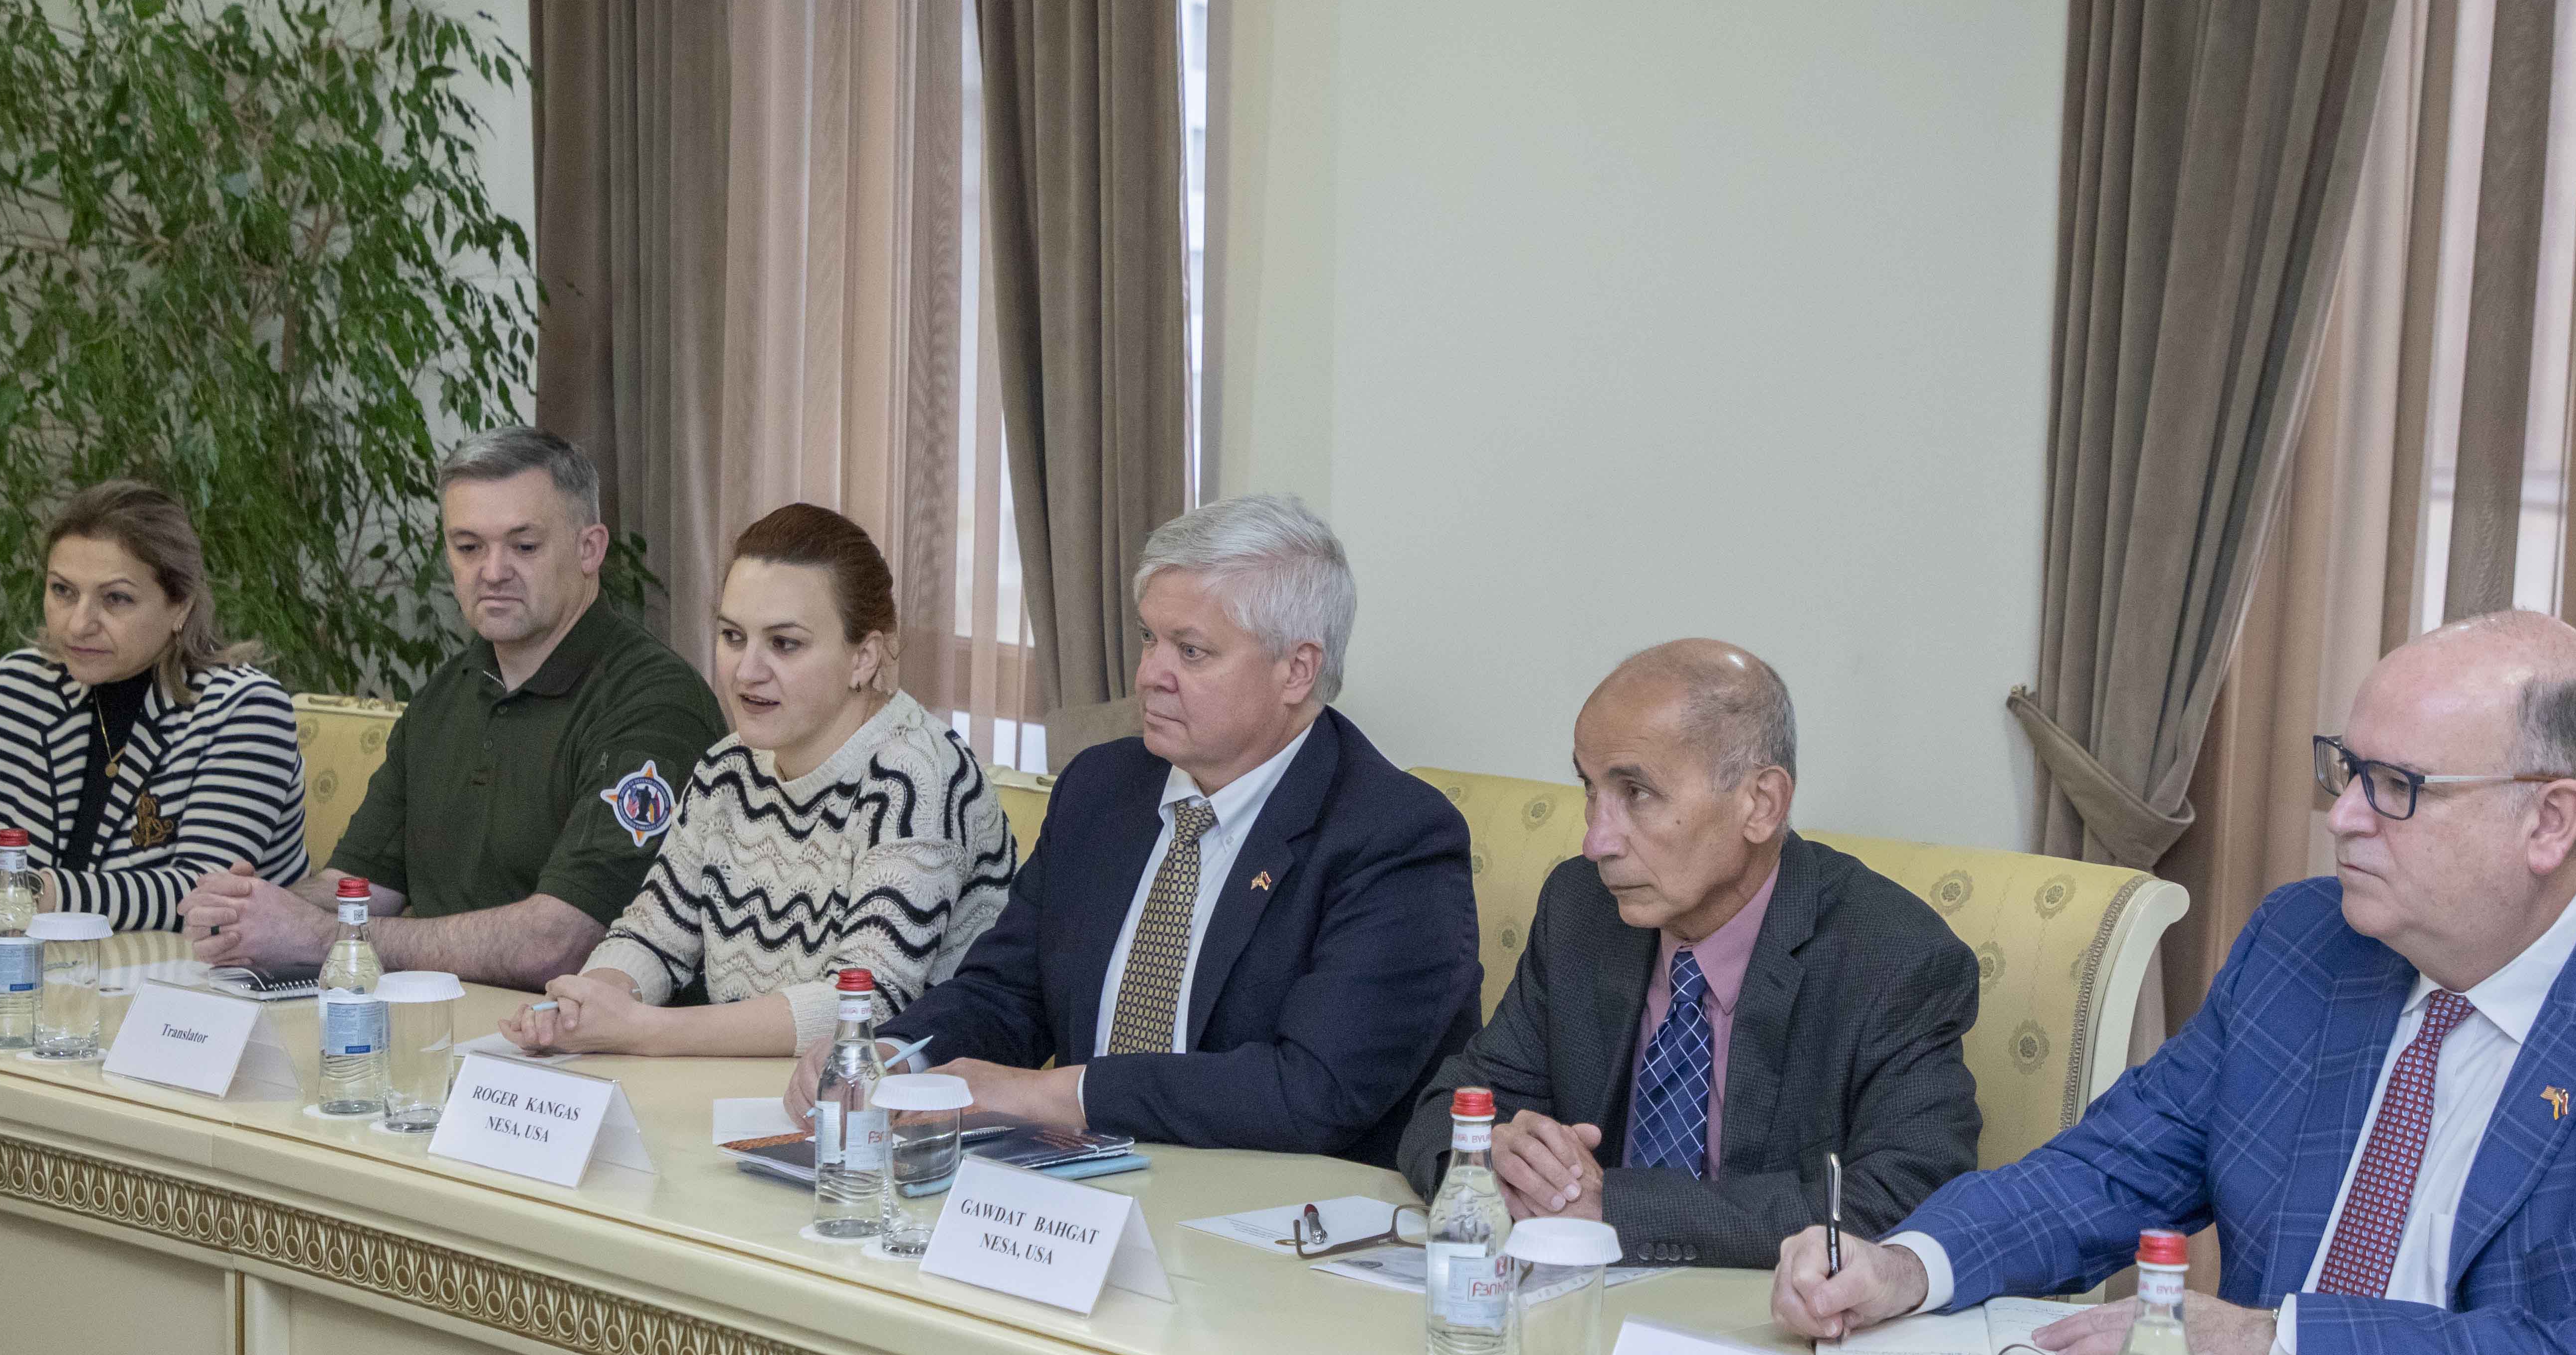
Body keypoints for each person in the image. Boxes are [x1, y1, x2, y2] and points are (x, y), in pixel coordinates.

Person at [1772, 611, 2576, 1355]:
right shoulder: (2306, 943)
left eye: (2398, 786)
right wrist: (1909, 1263)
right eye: (2346, 769)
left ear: (2551, 820)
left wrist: (2279, 1342)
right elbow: (2112, 1167)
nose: (2345, 817)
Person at [787, 493, 1478, 1166]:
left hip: (1272, 1205)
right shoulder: (1101, 789)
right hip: (1070, 1185)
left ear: (1296, 670)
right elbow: (1008, 994)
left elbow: (1312, 1092)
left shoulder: (1395, 837)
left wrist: (1057, 1094)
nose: (1150, 675)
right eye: (1150, 638)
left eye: (1192, 651)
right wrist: (893, 1053)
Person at [1394, 642, 1981, 1265]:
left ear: (1761, 804)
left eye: (1637, 792)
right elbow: (1447, 1108)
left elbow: (1906, 1199)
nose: (1596, 840)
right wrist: (1493, 1159)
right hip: (1576, 1303)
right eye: (1591, 789)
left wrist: (1617, 1208)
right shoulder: (1580, 909)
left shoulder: (1893, 956)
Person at [180, 427, 725, 991]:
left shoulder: (654, 702)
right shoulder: (444, 694)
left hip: (579, 1037)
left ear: (590, 549)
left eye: (524, 546)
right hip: (432, 1022)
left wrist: (325, 939)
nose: (493, 571)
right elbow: (361, 888)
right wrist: (252, 909)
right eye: (469, 547)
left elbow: (562, 944)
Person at [500, 503, 1016, 1058]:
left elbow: (862, 1005)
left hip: (898, 1100)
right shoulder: (728, 768)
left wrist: (642, 1030)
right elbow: (652, 935)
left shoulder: (920, 776)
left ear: (864, 658)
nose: (747, 672)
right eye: (732, 636)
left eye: (784, 644)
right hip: (746, 1088)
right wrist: (586, 1004)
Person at [0, 480, 308, 937]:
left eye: (116, 598)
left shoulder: (245, 710)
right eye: (63, 591)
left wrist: (28, 894)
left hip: (194, 978)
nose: (79, 624)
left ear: (181, 606)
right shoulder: (20, 687)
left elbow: (205, 898)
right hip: (48, 972)